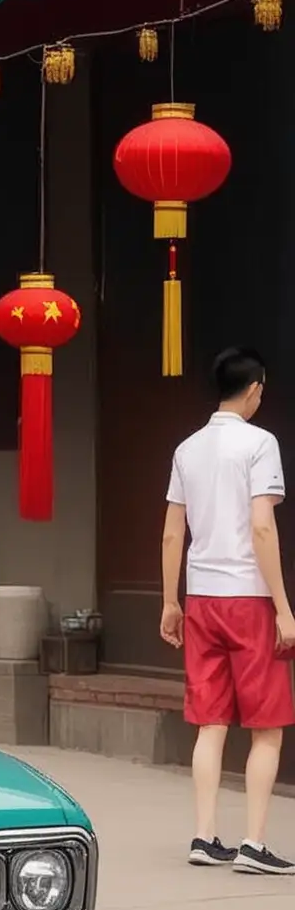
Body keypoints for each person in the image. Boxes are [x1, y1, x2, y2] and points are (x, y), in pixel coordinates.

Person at [161, 349, 295, 874]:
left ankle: (204, 835)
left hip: (202, 598)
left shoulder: (187, 449)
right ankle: (254, 844)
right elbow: (263, 527)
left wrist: (172, 602)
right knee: (266, 726)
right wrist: (283, 606)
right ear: (256, 388)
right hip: (248, 597)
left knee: (210, 722)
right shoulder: (260, 444)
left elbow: (174, 530)